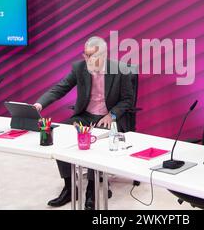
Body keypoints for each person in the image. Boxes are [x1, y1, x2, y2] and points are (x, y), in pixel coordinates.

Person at [34, 36, 134, 209]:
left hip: (107, 118)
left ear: (103, 55)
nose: (87, 59)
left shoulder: (121, 69)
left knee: (93, 143)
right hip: (85, 116)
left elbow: (127, 100)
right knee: (61, 135)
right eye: (86, 55)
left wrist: (112, 115)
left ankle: (91, 191)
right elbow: (60, 88)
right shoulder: (79, 68)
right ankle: (69, 186)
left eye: (92, 56)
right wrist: (39, 104)